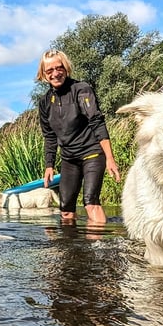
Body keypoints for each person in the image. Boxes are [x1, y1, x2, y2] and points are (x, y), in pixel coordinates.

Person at [36, 49, 120, 224]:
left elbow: (96, 121)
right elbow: (49, 136)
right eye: (49, 70)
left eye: (59, 68)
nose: (55, 73)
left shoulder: (81, 89)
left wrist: (110, 158)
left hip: (92, 153)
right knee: (66, 209)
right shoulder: (44, 102)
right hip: (69, 158)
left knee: (90, 202)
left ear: (66, 68)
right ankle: (70, 249)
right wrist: (49, 165)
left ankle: (96, 248)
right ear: (44, 75)